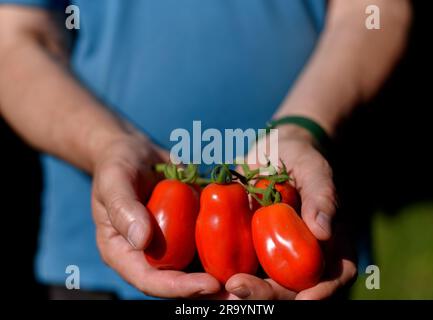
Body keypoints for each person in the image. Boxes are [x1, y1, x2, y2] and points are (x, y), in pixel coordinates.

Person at [0, 0, 411, 299]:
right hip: (90, 266)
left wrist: (302, 128)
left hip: (311, 223)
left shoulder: (270, 204)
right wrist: (108, 145)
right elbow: (14, 40)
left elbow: (375, 10)